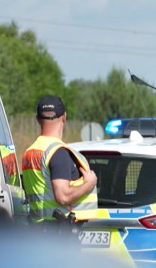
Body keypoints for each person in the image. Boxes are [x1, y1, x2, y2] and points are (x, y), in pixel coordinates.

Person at [17, 95, 97, 225]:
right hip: (58, 231)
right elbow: (63, 196)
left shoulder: (29, 152)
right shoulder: (58, 152)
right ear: (64, 117)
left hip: (37, 228)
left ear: (38, 119)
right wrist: (89, 183)